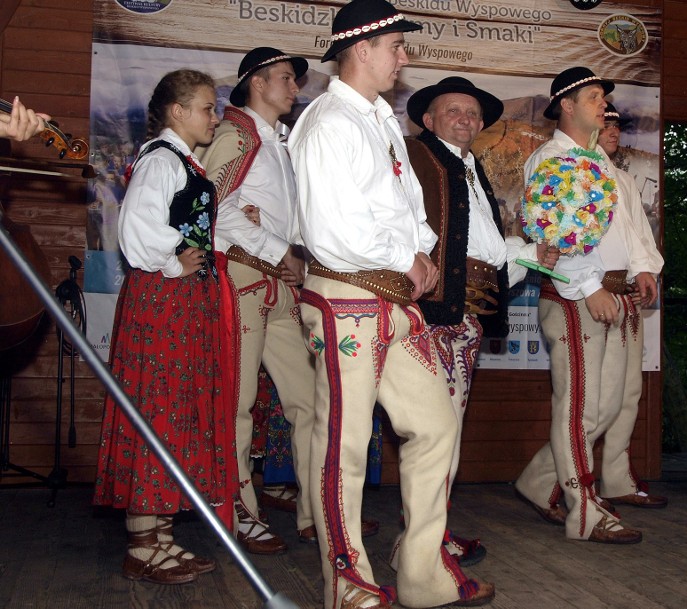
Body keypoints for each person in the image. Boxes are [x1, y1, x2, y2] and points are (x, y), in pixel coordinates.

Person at [288, 0, 495, 607]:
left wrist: (422, 250)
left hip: (396, 302)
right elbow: (330, 231)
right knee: (345, 444)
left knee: (435, 426)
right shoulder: (330, 122)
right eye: (396, 46)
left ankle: (423, 572)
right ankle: (345, 580)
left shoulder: (377, 119)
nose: (403, 57)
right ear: (362, 48)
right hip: (346, 297)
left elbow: (407, 208)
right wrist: (404, 256)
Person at [404, 76, 558, 567]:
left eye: (473, 113)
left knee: (446, 430)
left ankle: (433, 536)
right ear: (429, 120)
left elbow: (488, 255)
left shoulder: (470, 169)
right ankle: (423, 546)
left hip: (464, 314)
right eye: (455, 111)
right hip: (434, 314)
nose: (466, 119)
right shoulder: (419, 159)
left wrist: (531, 254)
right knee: (436, 433)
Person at [93, 69, 236, 584]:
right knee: (157, 404)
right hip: (163, 300)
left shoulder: (177, 160)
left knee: (174, 407)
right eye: (205, 107)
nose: (213, 116)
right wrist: (177, 262)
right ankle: (141, 542)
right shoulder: (160, 160)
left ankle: (160, 535)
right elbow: (136, 230)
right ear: (177, 111)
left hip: (180, 302)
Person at [514, 66, 657, 544]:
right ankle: (585, 509)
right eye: (594, 96)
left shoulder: (605, 165)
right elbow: (551, 238)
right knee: (582, 408)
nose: (604, 104)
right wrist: (589, 286)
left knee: (608, 405)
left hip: (613, 294)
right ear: (567, 105)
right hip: (577, 297)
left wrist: (642, 268)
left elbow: (632, 227)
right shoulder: (550, 159)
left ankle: (537, 482)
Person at [198, 46, 315, 554]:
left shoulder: (276, 143)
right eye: (285, 79)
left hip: (281, 285)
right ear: (255, 83)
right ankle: (237, 511)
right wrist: (275, 250)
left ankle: (319, 511)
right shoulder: (234, 136)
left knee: (310, 401)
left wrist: (292, 255)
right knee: (238, 403)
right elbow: (207, 210)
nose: (294, 89)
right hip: (243, 279)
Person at [596, 102, 667, 509]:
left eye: (617, 124)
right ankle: (569, 479)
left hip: (627, 295)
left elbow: (642, 237)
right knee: (600, 401)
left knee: (627, 395)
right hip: (594, 293)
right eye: (605, 122)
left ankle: (617, 480)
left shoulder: (622, 180)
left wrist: (646, 272)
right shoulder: (576, 172)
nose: (613, 130)